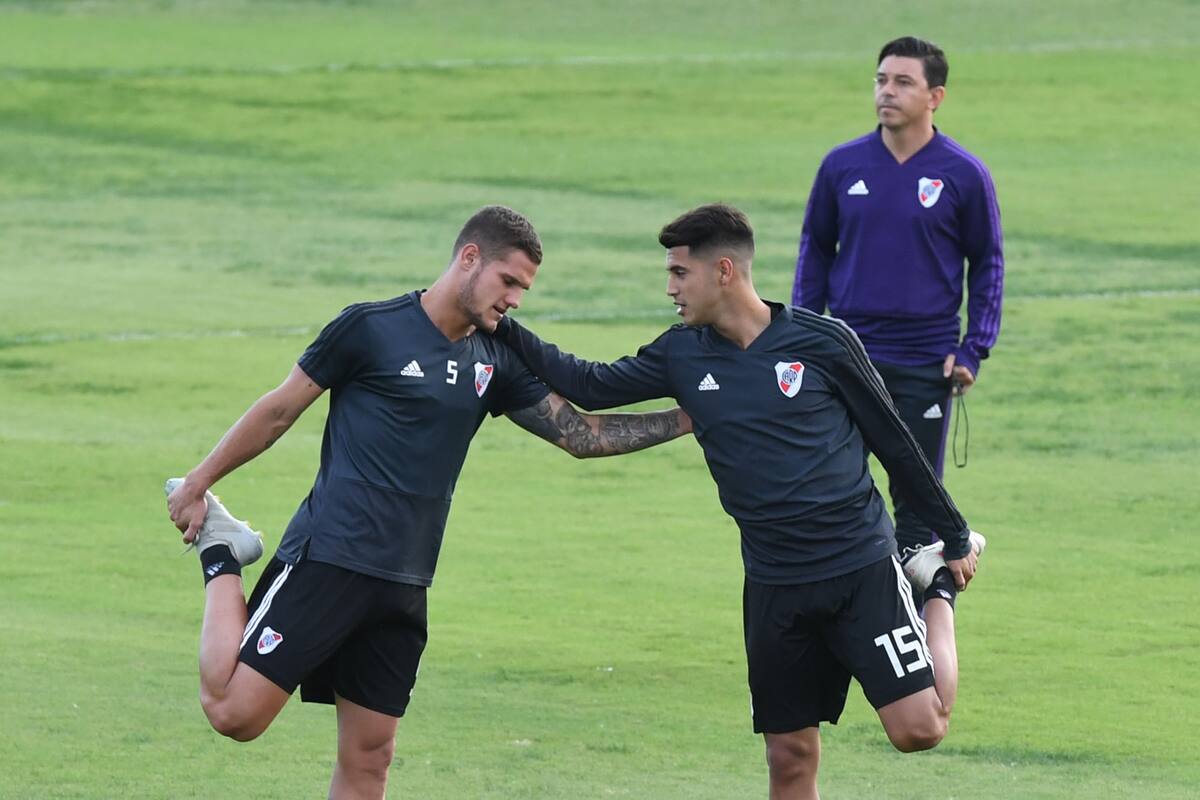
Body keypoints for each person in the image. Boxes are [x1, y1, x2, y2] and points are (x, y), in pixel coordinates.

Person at [164, 205, 691, 800]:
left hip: (405, 583)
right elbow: (281, 409)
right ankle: (223, 553)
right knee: (234, 714)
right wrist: (199, 482)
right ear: (470, 258)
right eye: (509, 282)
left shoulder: (495, 359)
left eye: (524, 288)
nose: (516, 300)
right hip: (330, 558)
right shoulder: (369, 328)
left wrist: (691, 418)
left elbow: (580, 435)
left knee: (370, 759)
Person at [492, 204, 984, 800]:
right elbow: (590, 384)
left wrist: (953, 540)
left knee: (920, 729)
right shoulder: (682, 353)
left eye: (680, 273)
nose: (670, 288)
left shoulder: (824, 344)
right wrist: (502, 324)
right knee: (789, 755)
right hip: (775, 586)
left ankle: (935, 589)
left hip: (860, 570)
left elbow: (898, 447)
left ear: (723, 271)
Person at [792, 36, 1004, 558]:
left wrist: (973, 348)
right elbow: (815, 252)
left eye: (903, 82)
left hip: (924, 362)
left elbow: (988, 264)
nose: (887, 92)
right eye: (881, 80)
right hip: (848, 358)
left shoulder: (963, 173)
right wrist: (800, 334)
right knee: (829, 490)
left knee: (917, 507)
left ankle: (916, 627)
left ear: (936, 96)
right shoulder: (842, 166)